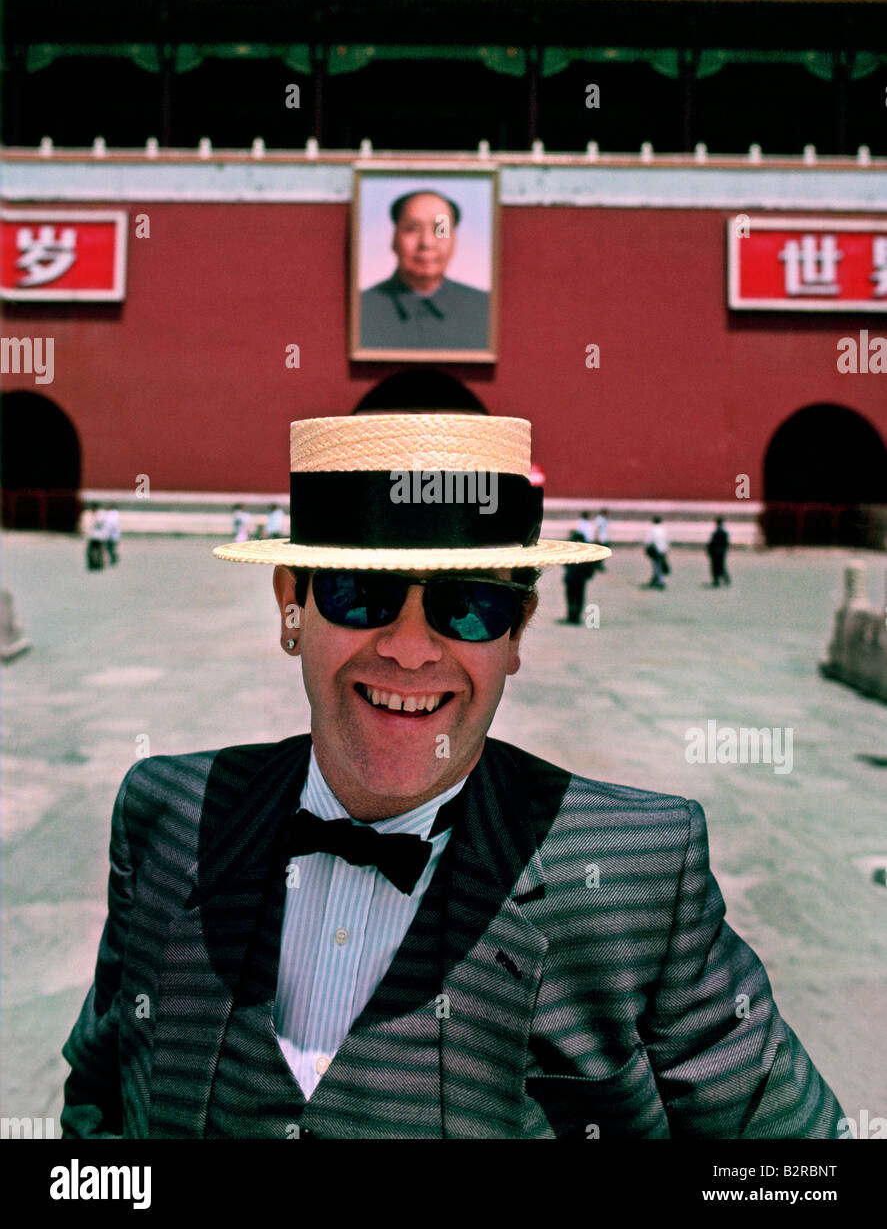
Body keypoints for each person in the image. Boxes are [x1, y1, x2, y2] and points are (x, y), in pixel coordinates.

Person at [62, 413, 843, 1139]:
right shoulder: (170, 814)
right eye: (359, 594)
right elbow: (97, 1103)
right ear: (290, 608)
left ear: (517, 635)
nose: (409, 650)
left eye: (468, 606)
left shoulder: (635, 871)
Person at [360, 191, 489, 351]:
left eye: (441, 229)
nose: (426, 243)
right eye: (412, 229)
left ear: (454, 242)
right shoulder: (361, 310)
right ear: (393, 239)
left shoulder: (484, 309)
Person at [643, 515, 670, 590]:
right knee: (660, 564)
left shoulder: (652, 529)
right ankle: (657, 579)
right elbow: (667, 540)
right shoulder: (663, 529)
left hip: (655, 550)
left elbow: (648, 541)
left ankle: (660, 581)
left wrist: (646, 548)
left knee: (656, 565)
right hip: (663, 550)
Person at [707, 516, 731, 587]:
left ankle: (717, 580)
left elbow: (713, 543)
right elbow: (726, 544)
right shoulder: (723, 532)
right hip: (720, 552)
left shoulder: (718, 532)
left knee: (716, 566)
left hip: (717, 551)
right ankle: (723, 579)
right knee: (720, 566)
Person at [84, 503, 107, 572]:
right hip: (92, 537)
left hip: (99, 537)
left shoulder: (101, 515)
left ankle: (99, 565)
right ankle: (91, 564)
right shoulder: (91, 515)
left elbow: (100, 524)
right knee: (89, 552)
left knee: (99, 552)